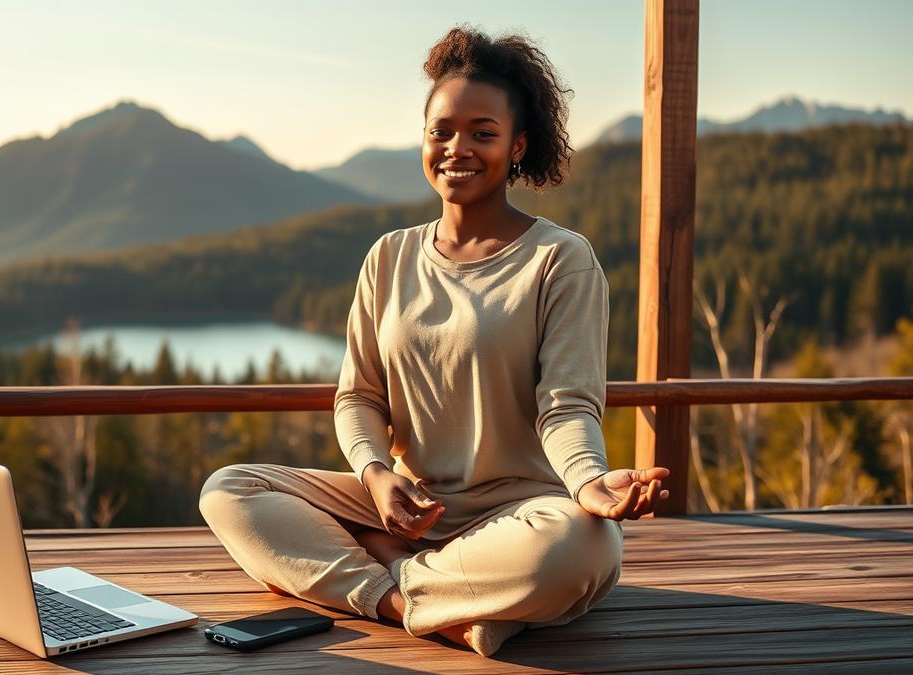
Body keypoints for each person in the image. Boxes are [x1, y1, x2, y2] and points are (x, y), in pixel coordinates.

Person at [199, 24, 670, 658]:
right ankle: (426, 603)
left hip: (519, 516)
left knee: (583, 549)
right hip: (404, 507)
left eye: (483, 133)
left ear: (518, 145)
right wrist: (375, 477)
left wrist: (587, 483)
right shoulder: (389, 257)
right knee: (230, 490)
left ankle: (386, 577)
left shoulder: (561, 260)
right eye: (441, 131)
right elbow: (358, 397)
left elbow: (567, 406)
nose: (457, 149)